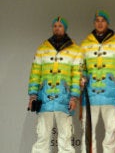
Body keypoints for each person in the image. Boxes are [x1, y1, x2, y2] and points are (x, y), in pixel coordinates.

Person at [28, 17, 83, 153]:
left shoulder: (75, 50)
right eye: (55, 26)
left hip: (64, 99)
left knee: (65, 138)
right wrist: (33, 95)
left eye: (60, 26)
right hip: (44, 99)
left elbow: (77, 76)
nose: (57, 28)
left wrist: (74, 97)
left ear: (65, 28)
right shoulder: (42, 49)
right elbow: (35, 73)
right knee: (42, 136)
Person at [80, 10, 115, 153]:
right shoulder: (85, 44)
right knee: (88, 131)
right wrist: (81, 78)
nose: (100, 23)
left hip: (111, 93)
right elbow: (80, 67)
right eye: (97, 20)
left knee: (111, 130)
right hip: (90, 94)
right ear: (94, 23)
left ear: (107, 23)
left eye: (103, 20)